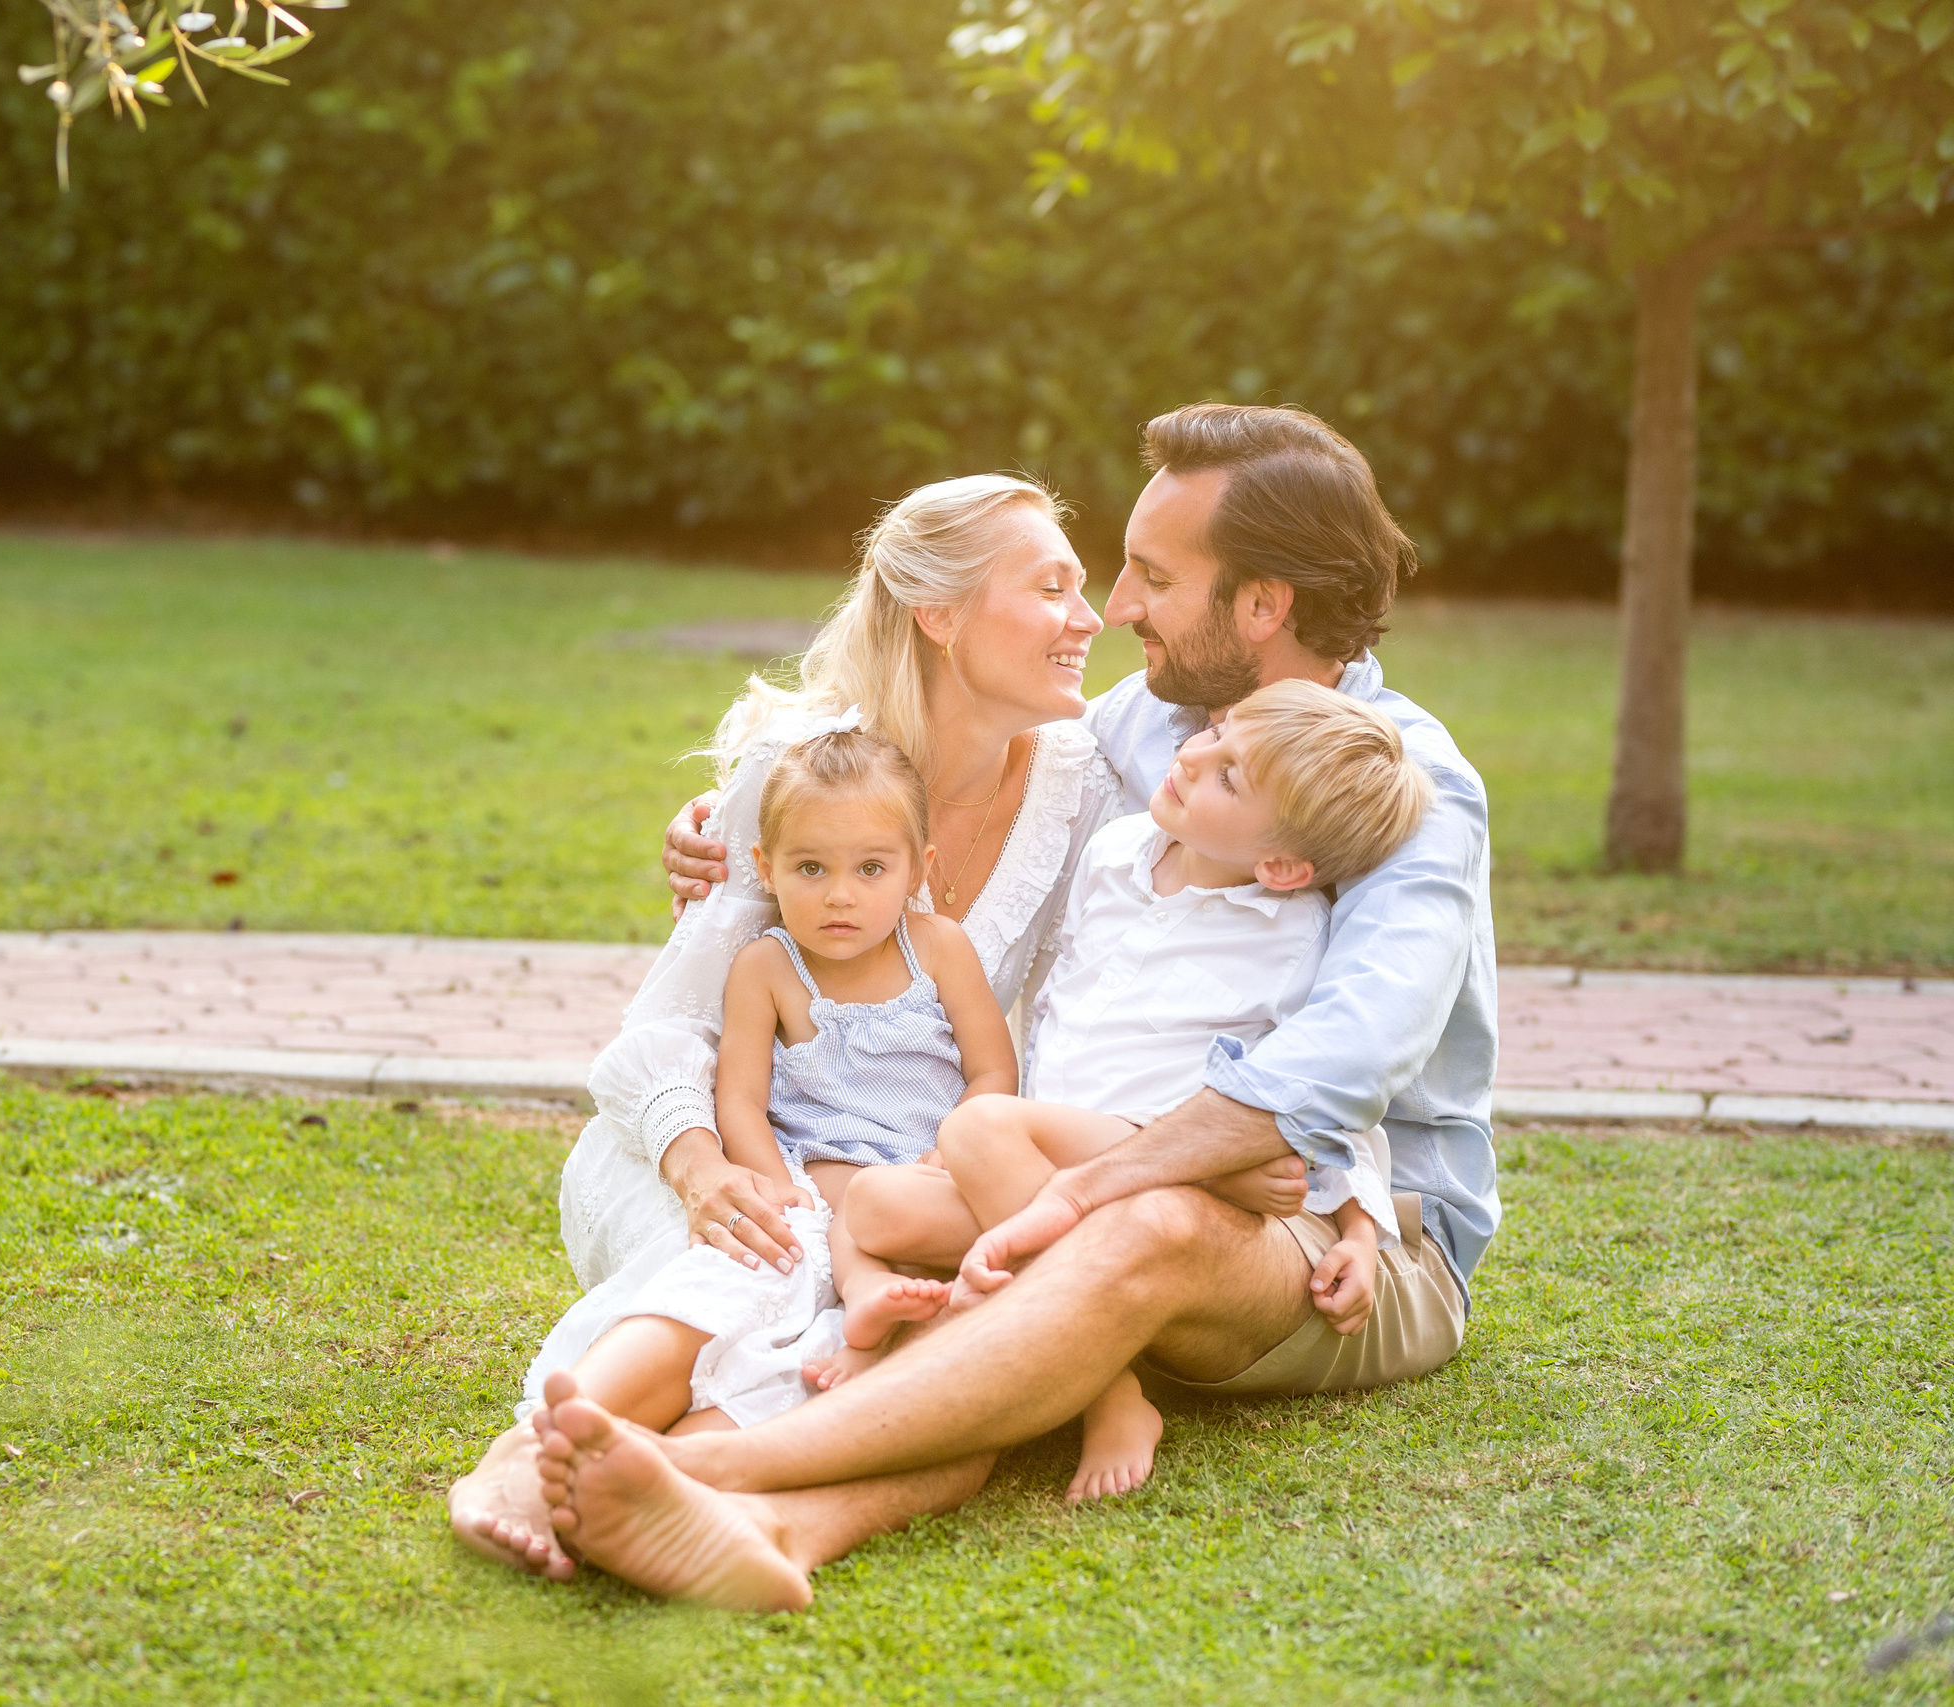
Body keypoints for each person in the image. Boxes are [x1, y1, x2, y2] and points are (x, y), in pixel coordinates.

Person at [531, 401, 1500, 1610]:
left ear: (1261, 605)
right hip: (1086, 1166)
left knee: (1130, 1227)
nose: (1119, 608)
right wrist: (740, 830)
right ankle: (779, 1528)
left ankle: (709, 1467)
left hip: (1355, 1237)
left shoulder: (1401, 786)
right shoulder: (1154, 728)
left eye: (1152, 578)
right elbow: (948, 742)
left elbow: (1348, 1061)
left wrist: (1091, 1187)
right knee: (954, 1267)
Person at [447, 473, 1128, 1582]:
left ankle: (677, 1487)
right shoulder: (807, 765)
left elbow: (1046, 1039)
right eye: (1051, 588)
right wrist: (710, 1167)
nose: (1088, 619)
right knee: (755, 1263)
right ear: (938, 613)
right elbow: (664, 1033)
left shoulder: (1082, 777)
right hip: (702, 1146)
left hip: (900, 1171)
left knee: (901, 1329)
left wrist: (946, 1177)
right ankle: (525, 1457)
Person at [838, 677, 1433, 1502]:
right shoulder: (1115, 853)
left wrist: (1360, 1232)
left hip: (1165, 1154)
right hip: (1059, 1158)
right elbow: (1059, 1015)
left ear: (1280, 864)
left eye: (1229, 777)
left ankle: (1110, 1393)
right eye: (1214, 736)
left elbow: (1334, 1092)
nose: (1192, 757)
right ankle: (1035, 1312)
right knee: (874, 1204)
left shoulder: (1292, 936)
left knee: (976, 1129)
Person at [561, 726, 1020, 1449]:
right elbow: (740, 1099)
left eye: (871, 869)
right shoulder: (768, 967)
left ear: (917, 868)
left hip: (934, 1159)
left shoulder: (938, 948)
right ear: (765, 868)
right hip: (826, 1165)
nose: (840, 895)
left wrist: (954, 1149)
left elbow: (994, 1070)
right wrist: (781, 1185)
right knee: (835, 1224)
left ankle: (883, 1321)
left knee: (929, 1228)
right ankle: (862, 1301)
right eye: (810, 868)